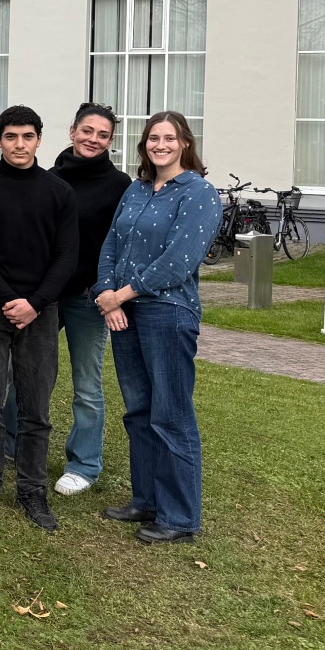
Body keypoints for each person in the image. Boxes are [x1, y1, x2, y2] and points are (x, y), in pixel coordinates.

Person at [96, 112, 220, 546]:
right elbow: (111, 243)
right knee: (139, 411)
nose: (160, 144)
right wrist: (105, 293)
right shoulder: (136, 189)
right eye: (153, 138)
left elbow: (179, 260)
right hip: (124, 313)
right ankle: (145, 500)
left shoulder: (199, 193)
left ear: (185, 143)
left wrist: (122, 294)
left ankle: (180, 517)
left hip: (167, 312)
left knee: (171, 414)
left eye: (169, 138)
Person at [0, 105, 80, 530]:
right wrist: (10, 299)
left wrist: (36, 302)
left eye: (28, 136)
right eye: (11, 137)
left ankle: (32, 488)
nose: (20, 145)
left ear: (40, 140)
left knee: (36, 404)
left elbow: (67, 255)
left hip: (42, 310)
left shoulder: (59, 192)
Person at [3, 103, 131, 496]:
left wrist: (111, 293)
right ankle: (10, 442)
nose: (93, 139)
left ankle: (84, 464)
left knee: (87, 384)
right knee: (20, 372)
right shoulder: (49, 177)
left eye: (103, 134)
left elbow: (120, 245)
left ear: (111, 141)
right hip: (44, 297)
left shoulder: (120, 185)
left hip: (90, 298)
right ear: (72, 130)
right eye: (87, 130)